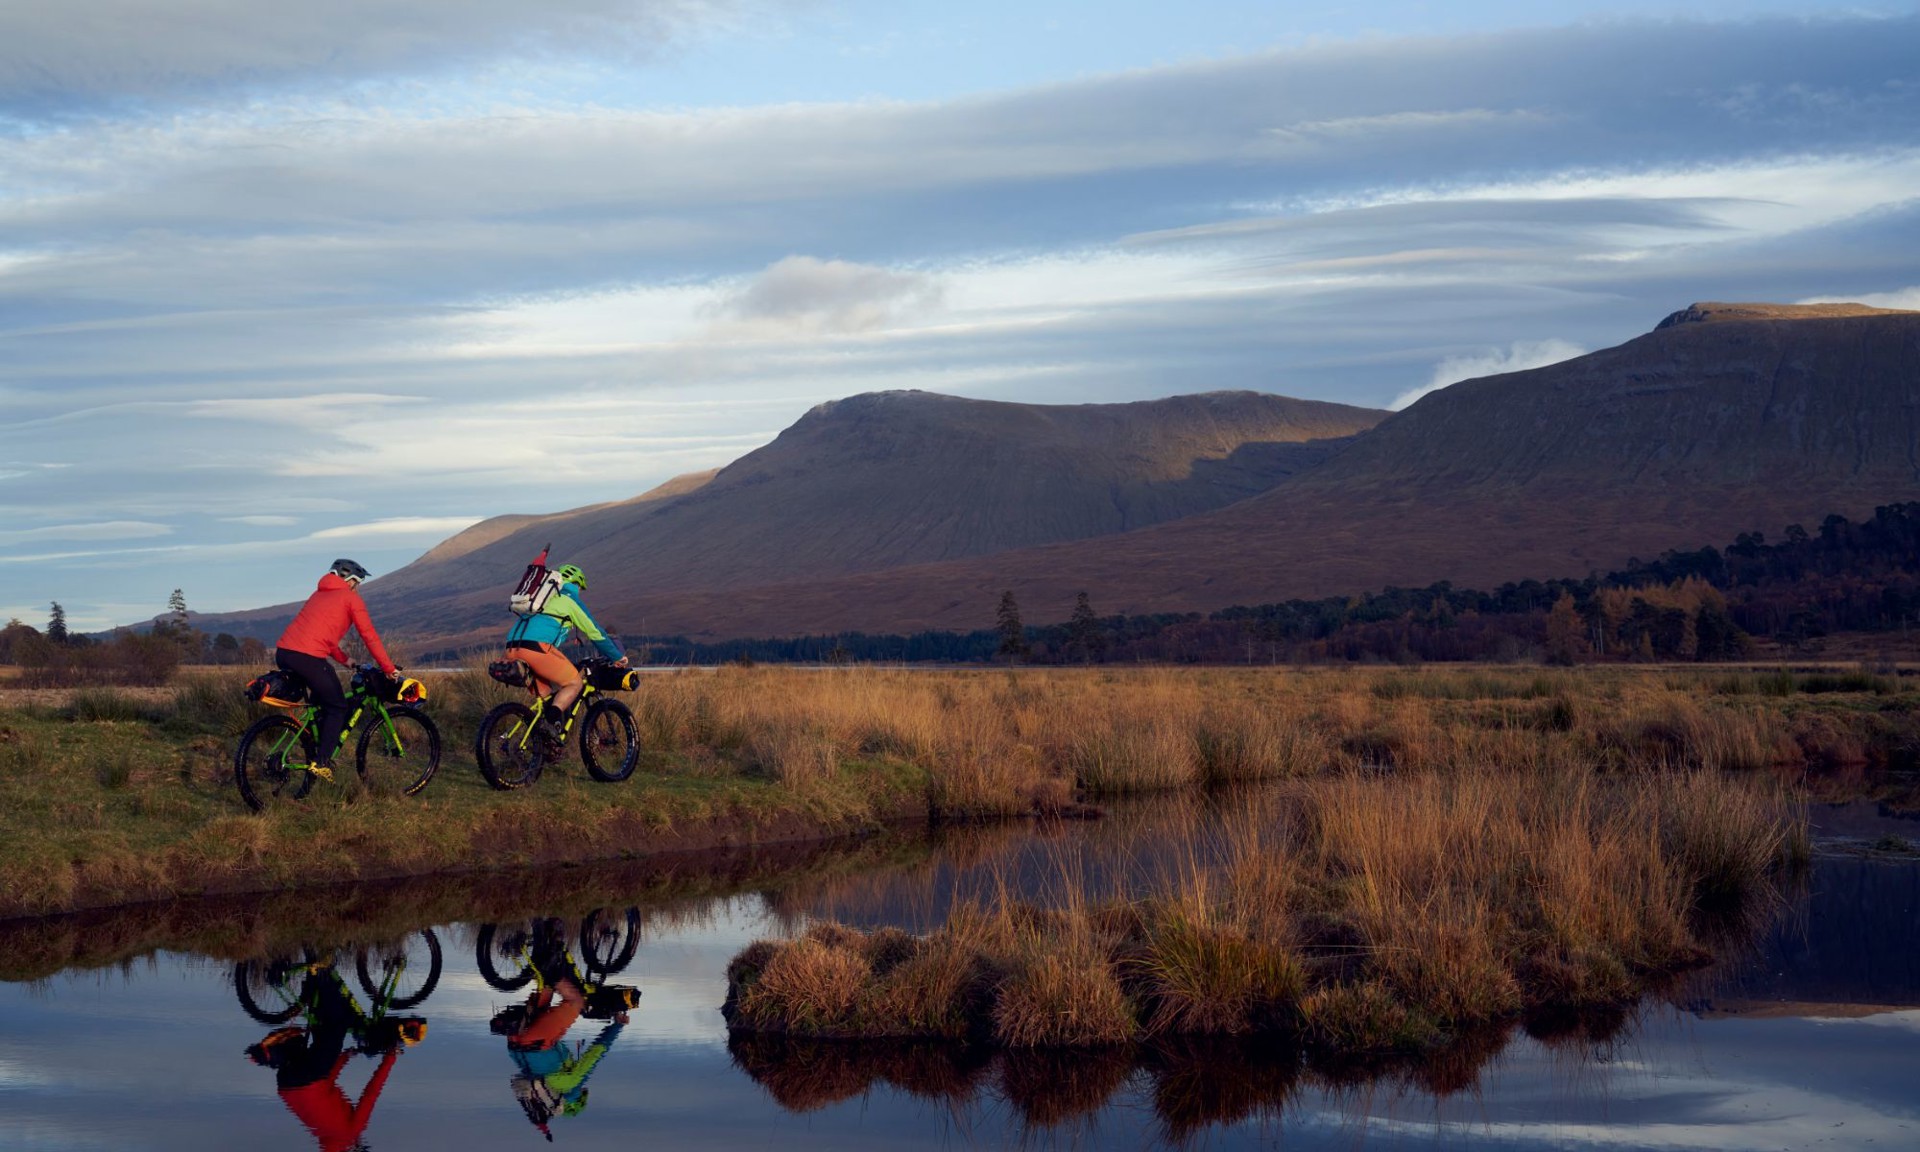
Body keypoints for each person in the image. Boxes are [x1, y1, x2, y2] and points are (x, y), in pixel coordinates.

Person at [275, 559, 399, 780]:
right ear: (351, 581)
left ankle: (312, 749)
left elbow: (322, 637)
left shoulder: (318, 595)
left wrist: (347, 661)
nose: (357, 587)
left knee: (320, 703)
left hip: (284, 654)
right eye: (358, 583)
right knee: (338, 707)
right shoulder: (351, 599)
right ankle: (321, 762)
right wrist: (388, 668)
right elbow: (369, 636)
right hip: (307, 659)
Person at [503, 563, 627, 745]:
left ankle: (539, 746)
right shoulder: (569, 599)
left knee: (546, 697)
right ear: (576, 584)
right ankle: (549, 725)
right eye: (580, 587)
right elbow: (595, 632)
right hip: (536, 649)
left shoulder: (540, 597)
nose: (580, 591)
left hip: (512, 648)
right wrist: (617, 656)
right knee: (574, 683)